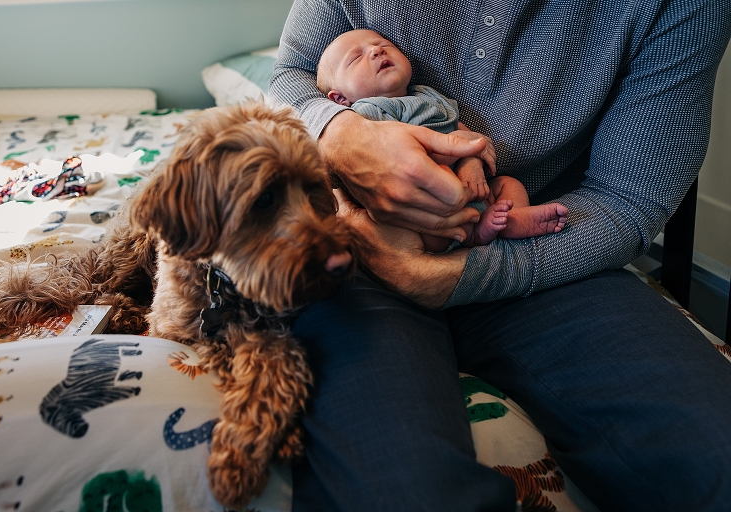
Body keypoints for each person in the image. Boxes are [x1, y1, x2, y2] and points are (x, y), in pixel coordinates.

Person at [270, 1, 731, 510]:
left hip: (540, 249)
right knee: (400, 488)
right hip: (358, 249)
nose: (377, 51)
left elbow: (627, 199)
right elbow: (290, 75)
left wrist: (458, 271)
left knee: (717, 453)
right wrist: (340, 133)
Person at [316, 28, 569, 253]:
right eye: (356, 57)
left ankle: (511, 219)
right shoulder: (367, 113)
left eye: (384, 44)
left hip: (468, 186)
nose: (375, 50)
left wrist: (472, 159)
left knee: (507, 184)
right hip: (421, 200)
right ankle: (474, 233)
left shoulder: (426, 94)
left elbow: (461, 130)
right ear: (340, 99)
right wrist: (459, 146)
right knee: (421, 232)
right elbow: (399, 161)